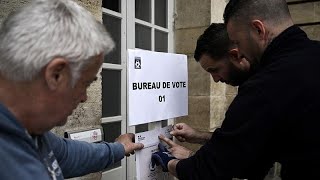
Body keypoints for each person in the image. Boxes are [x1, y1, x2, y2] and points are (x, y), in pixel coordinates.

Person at [152, 0, 320, 179]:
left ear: (258, 29)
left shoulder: (267, 84)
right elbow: (251, 143)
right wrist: (200, 138)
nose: (238, 53)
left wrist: (168, 161)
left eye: (238, 42)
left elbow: (219, 168)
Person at [0, 0, 143, 179]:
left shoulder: (30, 128)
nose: (84, 97)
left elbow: (66, 154)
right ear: (56, 75)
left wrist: (118, 148)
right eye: (85, 83)